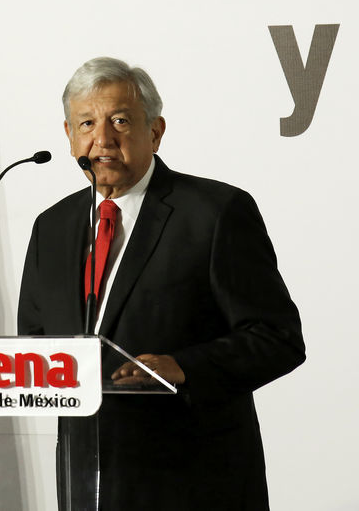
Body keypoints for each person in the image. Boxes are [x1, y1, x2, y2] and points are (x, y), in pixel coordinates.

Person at [17, 57, 305, 510]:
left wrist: (183, 367)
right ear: (69, 135)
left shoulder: (214, 213)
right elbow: (34, 345)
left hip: (194, 483)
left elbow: (278, 338)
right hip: (87, 483)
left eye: (120, 120)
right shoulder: (51, 227)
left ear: (154, 131)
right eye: (87, 123)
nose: (103, 138)